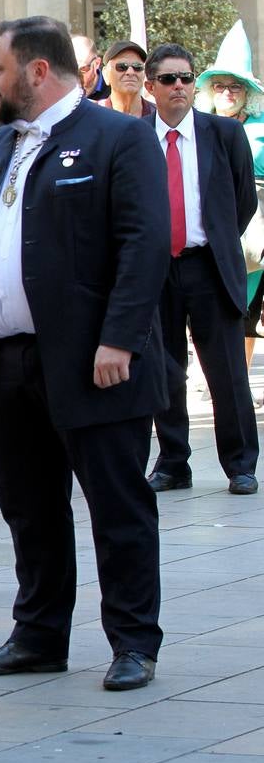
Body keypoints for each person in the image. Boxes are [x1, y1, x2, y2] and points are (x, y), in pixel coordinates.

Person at [0, 16, 169, 691]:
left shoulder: (117, 137)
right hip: (7, 362)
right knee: (29, 508)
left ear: (37, 71)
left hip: (93, 360)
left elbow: (142, 243)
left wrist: (118, 338)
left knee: (117, 507)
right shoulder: (0, 144)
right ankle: (37, 635)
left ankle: (131, 642)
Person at [143, 44, 259, 496]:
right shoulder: (132, 136)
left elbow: (243, 202)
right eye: (169, 79)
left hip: (208, 265)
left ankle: (241, 464)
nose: (179, 87)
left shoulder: (223, 136)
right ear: (150, 87)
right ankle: (173, 462)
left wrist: (216, 240)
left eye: (187, 78)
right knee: (164, 370)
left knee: (227, 370)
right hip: (155, 270)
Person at [194, 21, 264, 374]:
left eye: (235, 86)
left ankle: (238, 370)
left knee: (247, 304)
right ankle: (214, 373)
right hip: (206, 228)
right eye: (219, 85)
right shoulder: (196, 124)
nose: (227, 92)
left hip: (254, 234)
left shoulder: (261, 127)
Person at [98, 41, 155, 117]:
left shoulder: (160, 116)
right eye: (121, 67)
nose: (130, 72)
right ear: (105, 74)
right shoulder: (91, 116)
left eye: (137, 67)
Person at [73, 34, 110, 102]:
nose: (75, 76)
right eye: (69, 69)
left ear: (96, 63)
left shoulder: (112, 90)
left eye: (82, 69)